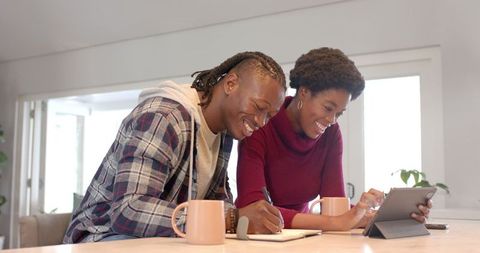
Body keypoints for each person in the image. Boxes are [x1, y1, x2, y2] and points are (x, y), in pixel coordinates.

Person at [63, 51, 287, 243]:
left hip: (153, 240)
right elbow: (128, 210)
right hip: (99, 239)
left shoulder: (223, 134)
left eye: (269, 116)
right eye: (259, 107)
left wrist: (241, 217)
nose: (261, 122)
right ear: (230, 84)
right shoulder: (164, 117)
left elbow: (218, 201)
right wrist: (232, 219)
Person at [235, 48, 431, 231]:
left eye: (339, 113)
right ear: (303, 92)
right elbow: (253, 209)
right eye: (328, 108)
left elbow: (335, 206)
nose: (331, 120)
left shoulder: (331, 134)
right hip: (259, 239)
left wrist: (386, 215)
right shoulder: (261, 124)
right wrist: (337, 221)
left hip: (302, 237)